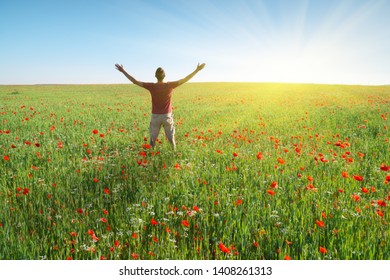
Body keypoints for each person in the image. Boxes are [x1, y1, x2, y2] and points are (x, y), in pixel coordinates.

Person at [115, 63, 205, 150]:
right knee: (171, 140)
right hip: (167, 116)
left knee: (152, 140)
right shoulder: (170, 85)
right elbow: (185, 79)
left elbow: (135, 81)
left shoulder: (151, 86)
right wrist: (197, 70)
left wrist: (123, 71)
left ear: (155, 76)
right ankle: (173, 153)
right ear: (164, 76)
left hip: (155, 117)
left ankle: (152, 156)